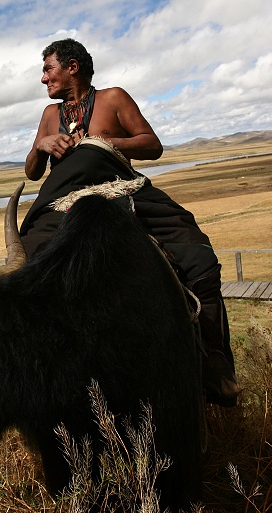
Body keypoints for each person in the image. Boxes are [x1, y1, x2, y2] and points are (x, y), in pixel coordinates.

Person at [21, 38, 240, 407]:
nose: (44, 80)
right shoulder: (48, 115)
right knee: (31, 264)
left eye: (48, 69)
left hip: (123, 188)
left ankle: (214, 362)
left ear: (72, 67)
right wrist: (41, 146)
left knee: (195, 248)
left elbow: (152, 145)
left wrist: (104, 142)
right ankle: (42, 371)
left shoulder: (113, 98)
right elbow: (31, 173)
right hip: (64, 202)